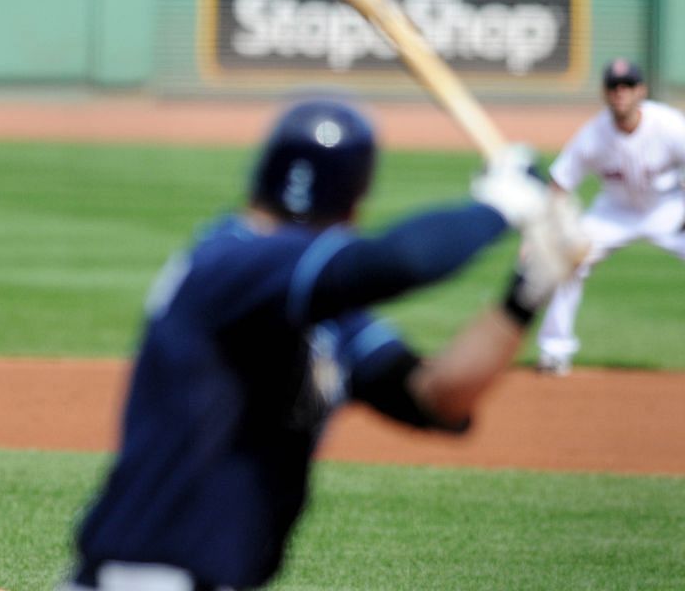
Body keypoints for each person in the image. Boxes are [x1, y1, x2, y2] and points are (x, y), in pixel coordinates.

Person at [58, 99, 586, 591]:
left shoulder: (319, 316)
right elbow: (398, 263)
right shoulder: (230, 263)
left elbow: (437, 396)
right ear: (355, 198)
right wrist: (501, 205)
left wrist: (527, 291)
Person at [535, 58, 685, 375]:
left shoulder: (670, 125)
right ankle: (554, 351)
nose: (621, 92)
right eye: (614, 87)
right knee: (568, 260)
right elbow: (559, 184)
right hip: (613, 213)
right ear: (604, 93)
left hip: (667, 208)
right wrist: (544, 232)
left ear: (641, 90)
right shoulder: (593, 134)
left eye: (628, 85)